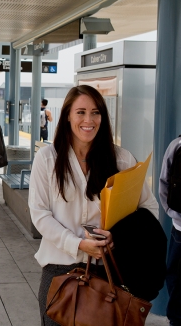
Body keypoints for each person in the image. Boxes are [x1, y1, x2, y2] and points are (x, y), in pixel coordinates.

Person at [28, 85, 159, 326]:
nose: (88, 120)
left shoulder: (121, 159)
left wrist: (119, 236)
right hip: (60, 272)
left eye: (95, 112)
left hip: (109, 277)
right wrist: (78, 244)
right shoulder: (47, 159)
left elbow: (148, 208)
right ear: (67, 115)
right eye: (80, 112)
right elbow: (40, 214)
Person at [159, 136, 181, 326]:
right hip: (179, 225)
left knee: (175, 273)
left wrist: (172, 213)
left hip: (180, 225)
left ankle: (176, 319)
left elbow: (163, 182)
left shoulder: (177, 144)